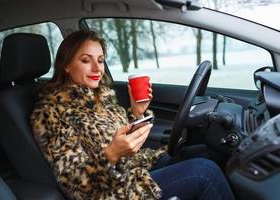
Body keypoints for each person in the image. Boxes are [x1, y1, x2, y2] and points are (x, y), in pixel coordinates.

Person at [30, 30, 235, 200]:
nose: (97, 68)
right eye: (86, 60)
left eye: (100, 61)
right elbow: (75, 185)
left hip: (136, 167)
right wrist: (110, 155)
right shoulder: (50, 113)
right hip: (111, 191)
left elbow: (121, 135)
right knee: (205, 172)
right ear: (67, 65)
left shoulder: (100, 95)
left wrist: (138, 112)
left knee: (211, 152)